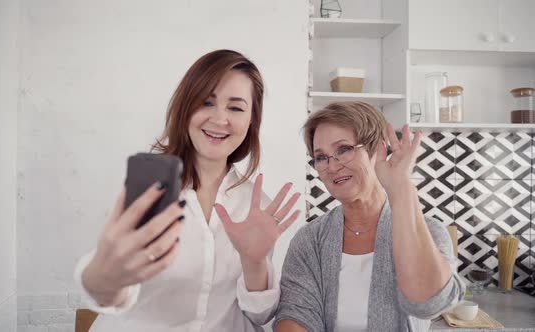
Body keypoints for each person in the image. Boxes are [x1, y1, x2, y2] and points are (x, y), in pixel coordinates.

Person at [74, 49, 301, 332]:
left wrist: (254, 261)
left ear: (251, 120)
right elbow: (113, 292)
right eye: (207, 102)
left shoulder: (256, 206)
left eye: (236, 107)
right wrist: (105, 279)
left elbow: (259, 316)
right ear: (186, 108)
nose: (220, 119)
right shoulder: (144, 191)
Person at [274, 102, 464, 332]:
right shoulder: (310, 240)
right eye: (321, 157)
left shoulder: (430, 231)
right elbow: (295, 314)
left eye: (343, 149)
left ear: (377, 150)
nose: (332, 166)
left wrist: (401, 187)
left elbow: (429, 305)